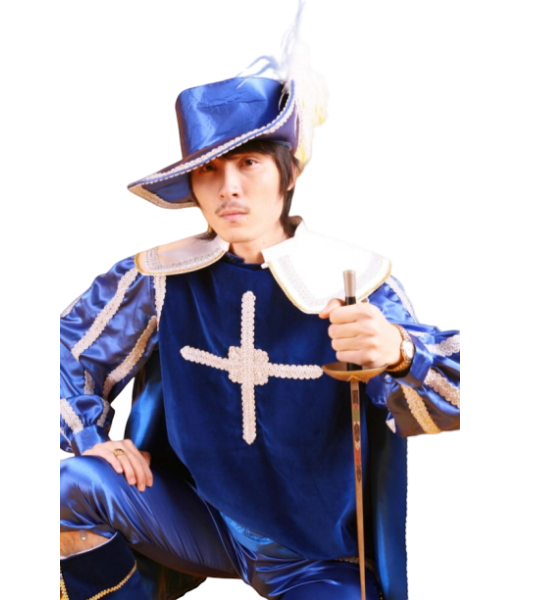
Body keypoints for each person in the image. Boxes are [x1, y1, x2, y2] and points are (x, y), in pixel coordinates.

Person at [60, 6, 460, 600]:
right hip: (195, 517)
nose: (229, 188)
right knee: (70, 484)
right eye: (209, 169)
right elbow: (67, 351)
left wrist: (401, 352)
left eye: (248, 162)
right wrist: (91, 440)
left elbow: (452, 394)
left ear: (287, 172)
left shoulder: (356, 278)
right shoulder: (157, 276)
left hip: (313, 552)